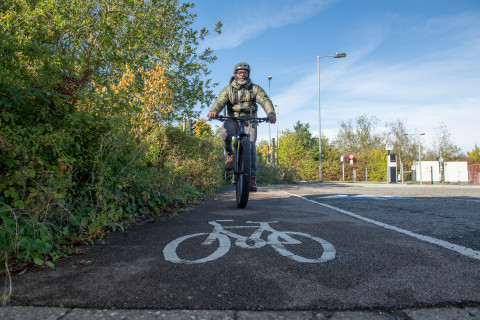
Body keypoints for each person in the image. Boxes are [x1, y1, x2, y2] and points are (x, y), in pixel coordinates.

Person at [208, 62, 276, 192]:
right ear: (235, 74)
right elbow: (220, 101)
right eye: (240, 73)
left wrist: (271, 113)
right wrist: (214, 111)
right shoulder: (228, 89)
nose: (242, 75)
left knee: (250, 146)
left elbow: (265, 100)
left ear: (248, 74)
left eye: (245, 72)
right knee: (224, 133)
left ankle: (251, 178)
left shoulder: (255, 88)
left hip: (250, 119)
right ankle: (230, 155)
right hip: (233, 118)